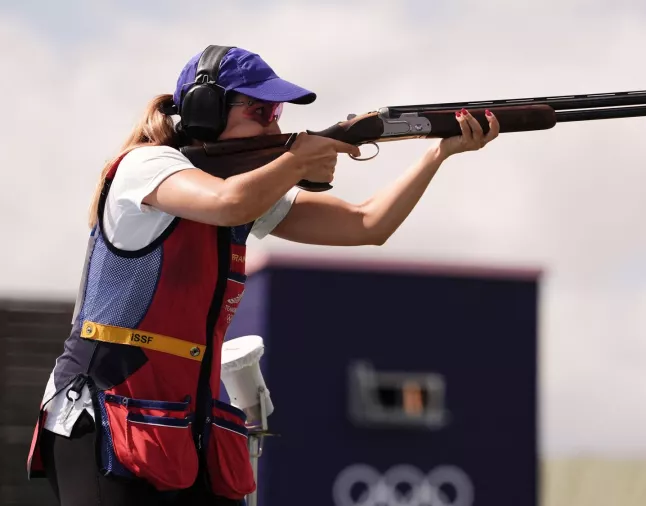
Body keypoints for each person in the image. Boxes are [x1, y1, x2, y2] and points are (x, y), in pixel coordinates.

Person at [25, 45, 500, 506]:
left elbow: (367, 224)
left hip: (186, 421)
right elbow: (228, 202)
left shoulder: (244, 191)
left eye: (277, 111)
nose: (275, 121)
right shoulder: (144, 165)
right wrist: (296, 161)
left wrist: (437, 154)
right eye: (260, 109)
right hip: (107, 408)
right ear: (206, 110)